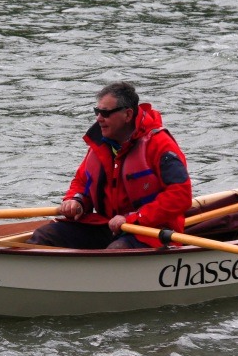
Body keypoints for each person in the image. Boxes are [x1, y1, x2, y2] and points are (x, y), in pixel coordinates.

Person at [28, 81, 192, 249]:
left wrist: (134, 219)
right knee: (44, 236)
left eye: (105, 113)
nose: (99, 118)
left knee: (116, 251)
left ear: (127, 115)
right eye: (97, 112)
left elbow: (180, 195)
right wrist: (76, 201)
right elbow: (82, 182)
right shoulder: (100, 145)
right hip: (107, 226)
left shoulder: (160, 144)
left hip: (151, 231)